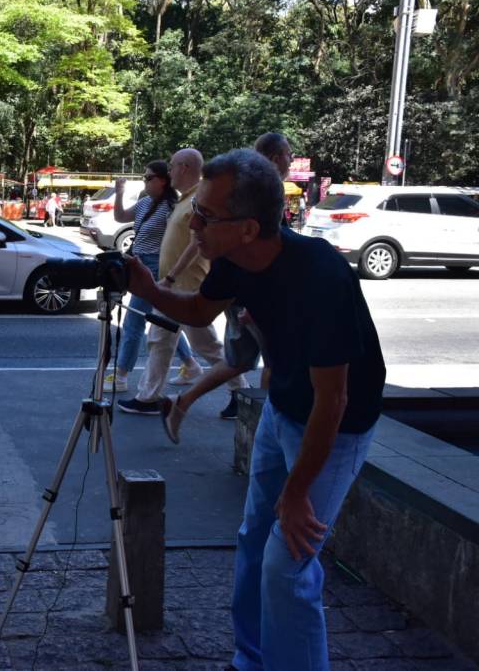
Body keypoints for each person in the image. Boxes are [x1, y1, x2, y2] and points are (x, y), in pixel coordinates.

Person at [125, 148, 385, 670]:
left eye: (205, 216)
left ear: (247, 228)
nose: (193, 224)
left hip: (335, 427)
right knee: (253, 539)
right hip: (281, 408)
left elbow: (333, 401)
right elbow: (201, 310)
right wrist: (149, 289)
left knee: (287, 565)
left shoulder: (320, 276)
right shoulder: (233, 259)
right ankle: (251, 658)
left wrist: (298, 493)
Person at [158, 132, 292, 437]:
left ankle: (188, 404)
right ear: (275, 158)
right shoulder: (256, 194)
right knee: (255, 358)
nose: (196, 224)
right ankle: (266, 427)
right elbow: (206, 245)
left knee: (242, 357)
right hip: (246, 294)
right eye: (289, 154)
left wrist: (160, 284)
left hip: (248, 293)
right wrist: (164, 281)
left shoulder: (255, 193)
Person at [120, 148, 248, 415]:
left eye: (172, 166)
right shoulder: (186, 199)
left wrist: (170, 276)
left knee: (205, 346)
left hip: (186, 285)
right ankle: (148, 397)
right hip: (175, 284)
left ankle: (241, 393)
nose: (170, 171)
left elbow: (195, 244)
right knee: (160, 340)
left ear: (185, 167)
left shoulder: (199, 199)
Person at [102, 160, 180, 398]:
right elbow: (120, 216)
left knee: (133, 322)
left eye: (149, 177)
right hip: (138, 263)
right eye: (144, 177)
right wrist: (119, 193)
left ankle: (121, 375)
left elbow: (176, 242)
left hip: (155, 266)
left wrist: (171, 274)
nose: (145, 181)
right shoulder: (145, 202)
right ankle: (191, 364)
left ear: (163, 181)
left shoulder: (172, 207)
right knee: (162, 321)